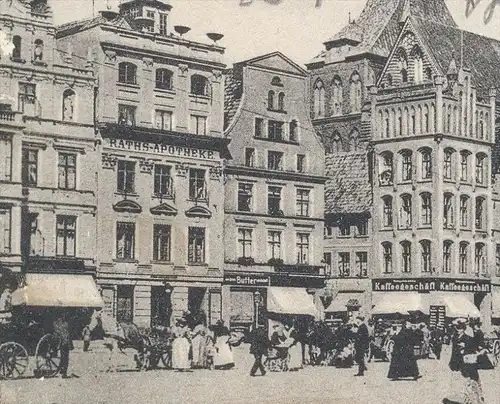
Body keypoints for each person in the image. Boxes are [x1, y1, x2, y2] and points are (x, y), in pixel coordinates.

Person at [444, 319, 485, 404]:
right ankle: (468, 399)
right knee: (464, 382)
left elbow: (473, 350)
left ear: (463, 328)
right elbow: (453, 352)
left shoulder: (468, 338)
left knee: (471, 382)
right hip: (458, 363)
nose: (458, 330)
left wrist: (465, 348)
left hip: (467, 363)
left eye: (460, 328)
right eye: (456, 328)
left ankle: (475, 400)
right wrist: (452, 362)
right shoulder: (455, 337)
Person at [53, 311, 73, 378]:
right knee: (65, 358)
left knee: (62, 357)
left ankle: (60, 370)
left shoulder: (58, 324)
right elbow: (68, 335)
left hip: (61, 343)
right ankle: (64, 373)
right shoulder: (66, 324)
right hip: (65, 343)